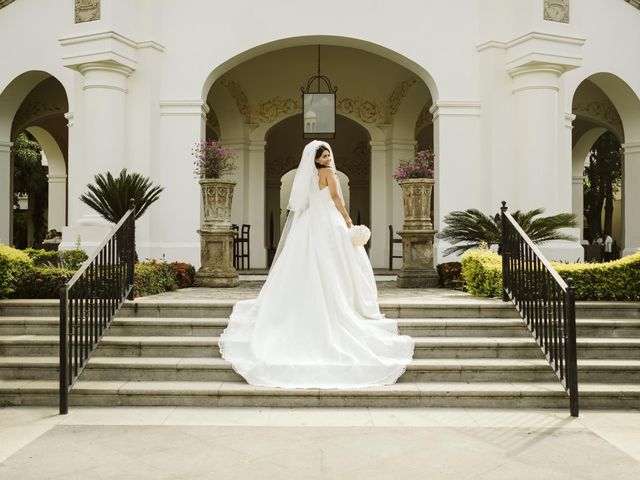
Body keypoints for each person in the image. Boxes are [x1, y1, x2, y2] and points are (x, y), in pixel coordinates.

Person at [219, 140, 414, 388]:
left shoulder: (308, 177)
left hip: (310, 223)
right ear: (317, 159)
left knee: (309, 261)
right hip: (329, 221)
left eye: (328, 154)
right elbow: (334, 197)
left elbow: (305, 204)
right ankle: (340, 300)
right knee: (335, 262)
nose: (328, 158)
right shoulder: (329, 174)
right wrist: (347, 218)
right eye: (323, 156)